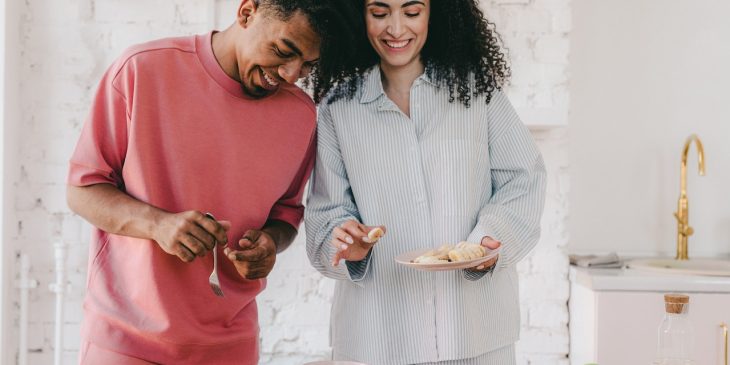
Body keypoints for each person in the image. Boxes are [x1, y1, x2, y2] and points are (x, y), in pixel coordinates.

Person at [66, 0, 362, 363]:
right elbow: (83, 189)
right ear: (247, 12)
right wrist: (159, 225)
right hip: (125, 339)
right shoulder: (141, 71)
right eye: (284, 51)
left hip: (230, 347)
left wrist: (269, 243)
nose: (290, 74)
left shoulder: (301, 116)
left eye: (308, 65)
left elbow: (286, 214)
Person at [304, 0, 547, 364]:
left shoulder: (477, 92)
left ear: (437, 13)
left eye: (412, 12)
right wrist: (343, 241)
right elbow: (326, 212)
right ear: (359, 15)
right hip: (378, 336)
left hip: (475, 333)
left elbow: (523, 179)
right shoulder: (338, 108)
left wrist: (486, 244)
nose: (396, 28)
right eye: (380, 13)